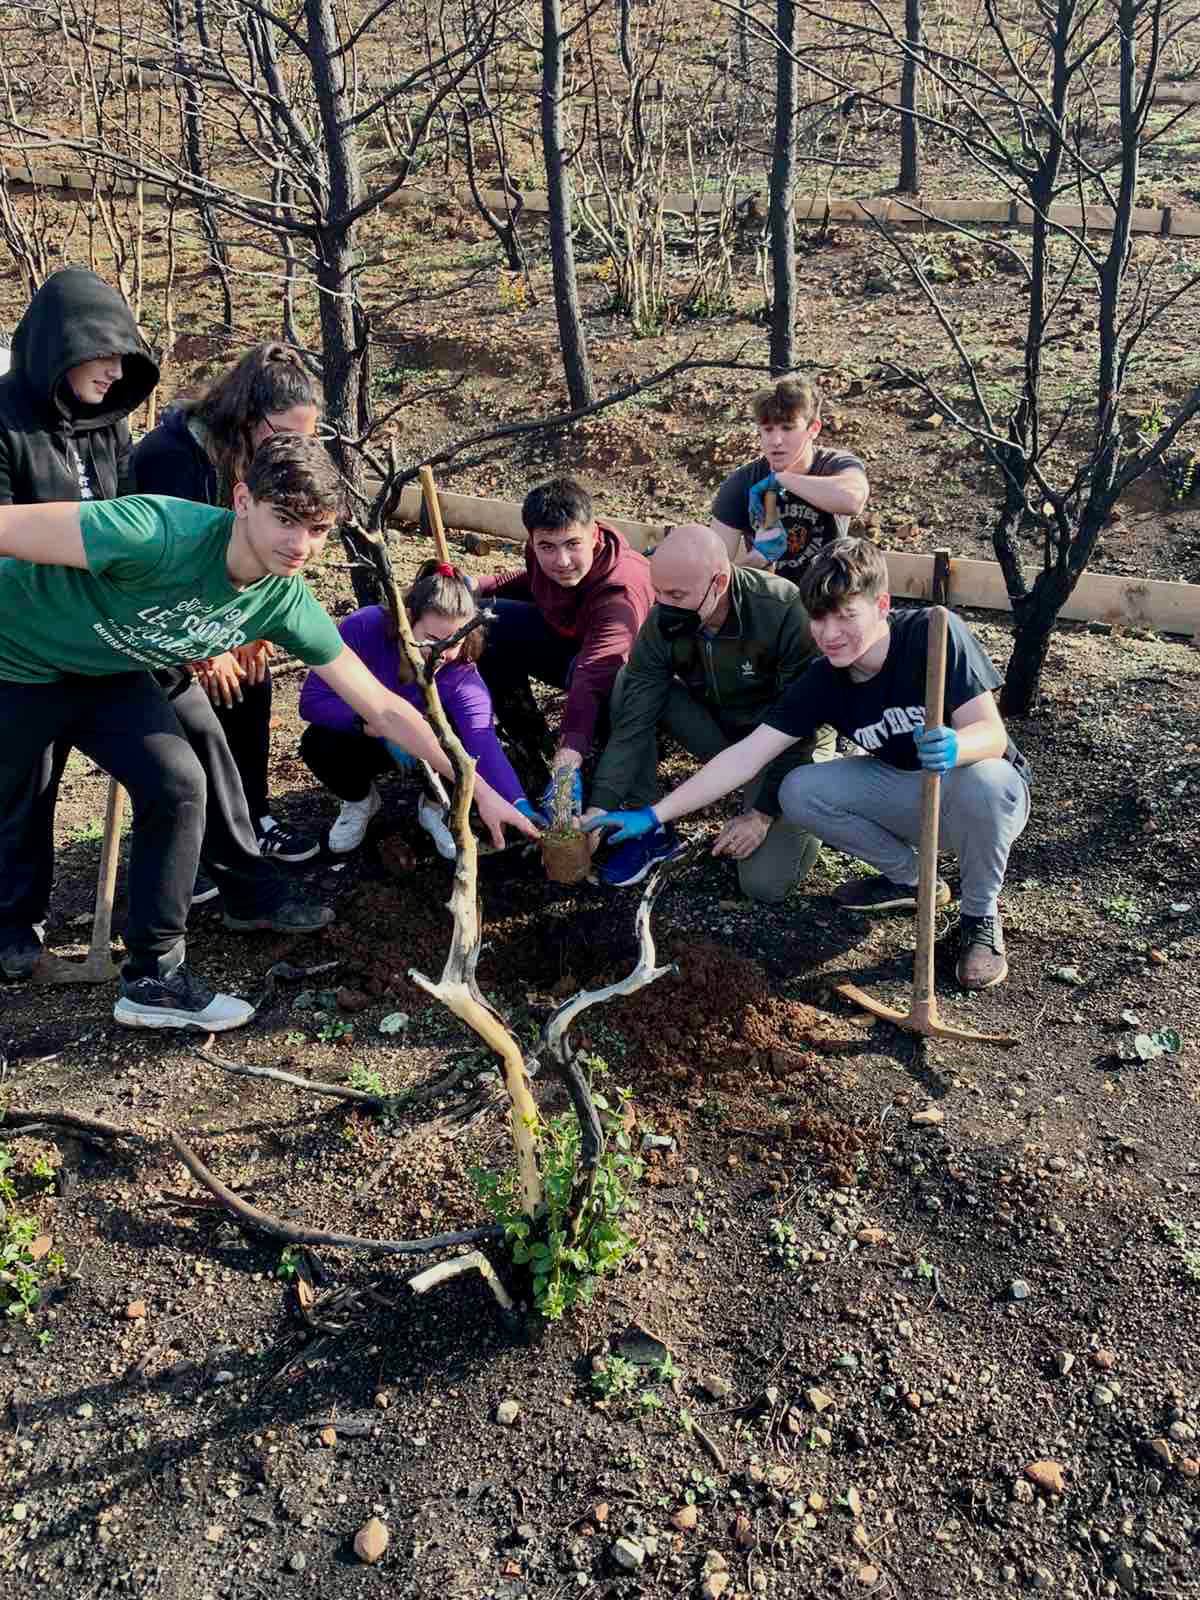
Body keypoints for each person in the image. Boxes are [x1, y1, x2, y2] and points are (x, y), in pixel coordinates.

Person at [0, 433, 538, 1031]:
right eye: (284, 520)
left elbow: (385, 709)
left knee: (180, 783)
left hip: (108, 672)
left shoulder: (283, 600)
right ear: (242, 500)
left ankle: (153, 977)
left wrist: (481, 790)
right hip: (12, 662)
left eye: (317, 529)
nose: (299, 545)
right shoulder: (152, 532)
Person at [586, 538, 1031, 991]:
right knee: (797, 789)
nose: (830, 632)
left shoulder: (933, 633)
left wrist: (957, 746)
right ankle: (912, 879)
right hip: (904, 789)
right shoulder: (825, 677)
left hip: (979, 799)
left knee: (987, 779)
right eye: (819, 617)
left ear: (882, 604)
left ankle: (979, 917)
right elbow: (746, 756)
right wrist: (653, 814)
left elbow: (992, 736)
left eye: (846, 615)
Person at [0, 267, 160, 978]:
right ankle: (11, 929)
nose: (115, 370)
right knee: (20, 795)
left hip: (102, 641)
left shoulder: (109, 428)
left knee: (169, 774)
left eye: (123, 355)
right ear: (61, 349)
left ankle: (158, 939)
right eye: (102, 354)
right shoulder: (4, 424)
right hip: (24, 646)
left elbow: (128, 521)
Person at [132, 342, 322, 864]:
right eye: (283, 434)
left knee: (252, 677)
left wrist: (249, 628)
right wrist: (207, 646)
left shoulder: (261, 455)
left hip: (219, 601)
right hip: (151, 609)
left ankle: (251, 815)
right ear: (245, 415)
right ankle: (195, 843)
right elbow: (164, 564)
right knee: (196, 715)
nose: (291, 448)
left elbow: (261, 542)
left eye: (304, 438)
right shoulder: (171, 458)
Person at [583, 523, 835, 897]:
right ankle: (650, 827)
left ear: (718, 582)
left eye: (677, 594)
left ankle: (809, 802)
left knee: (764, 885)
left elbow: (803, 725)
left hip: (791, 746)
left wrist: (761, 814)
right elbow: (634, 718)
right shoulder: (665, 619)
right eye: (659, 593)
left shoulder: (783, 612)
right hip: (725, 731)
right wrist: (598, 808)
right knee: (629, 684)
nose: (664, 605)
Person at [298, 559, 543, 857]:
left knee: (463, 745)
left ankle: (434, 805)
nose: (441, 652)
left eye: (454, 641)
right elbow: (312, 700)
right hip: (368, 739)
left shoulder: (461, 674)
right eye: (432, 639)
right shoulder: (365, 628)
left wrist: (517, 803)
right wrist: (368, 724)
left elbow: (484, 742)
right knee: (317, 744)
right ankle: (360, 800)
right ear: (407, 619)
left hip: (428, 752)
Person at [475, 477, 655, 825]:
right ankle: (529, 744)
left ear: (594, 534)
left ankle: (600, 771)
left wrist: (570, 753)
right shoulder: (544, 554)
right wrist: (474, 585)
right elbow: (531, 580)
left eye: (573, 544)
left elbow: (595, 671)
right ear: (532, 540)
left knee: (597, 686)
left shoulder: (620, 591)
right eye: (547, 547)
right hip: (573, 643)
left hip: (622, 672)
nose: (562, 560)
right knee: (485, 622)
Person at [711, 375, 869, 587]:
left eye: (787, 428)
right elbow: (712, 574)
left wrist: (781, 479)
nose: (776, 441)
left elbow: (853, 499)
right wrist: (756, 560)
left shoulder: (834, 464)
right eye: (768, 430)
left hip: (827, 603)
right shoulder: (742, 482)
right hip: (770, 602)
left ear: (813, 428)